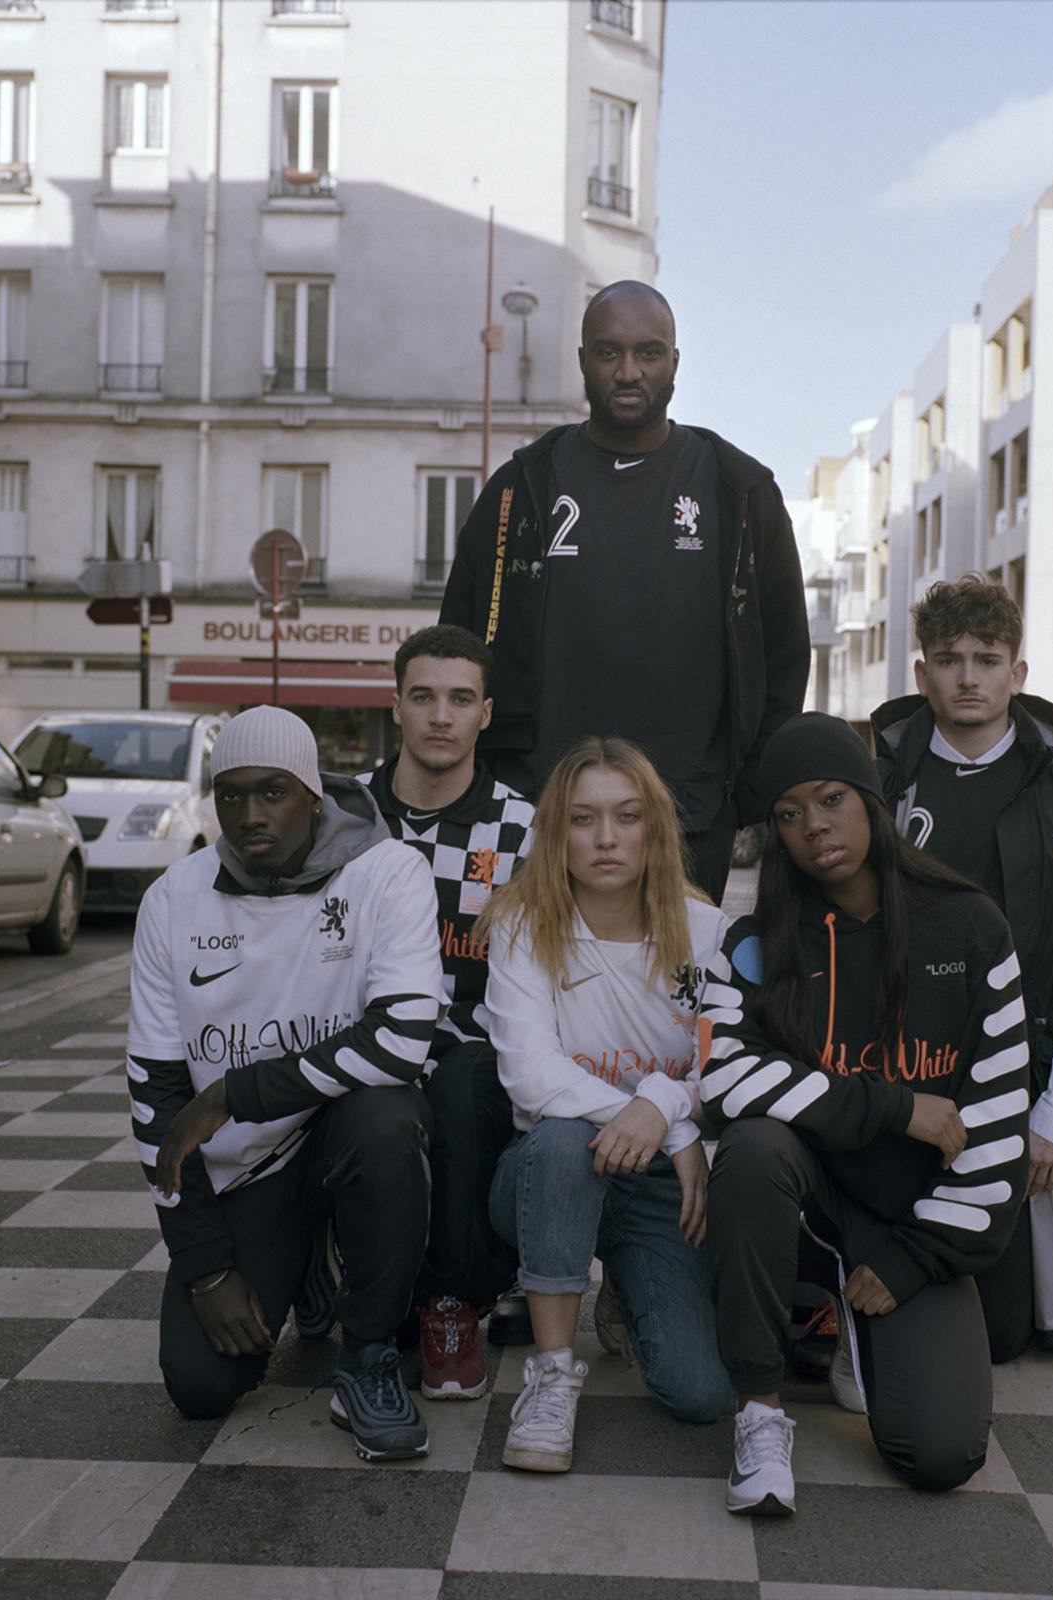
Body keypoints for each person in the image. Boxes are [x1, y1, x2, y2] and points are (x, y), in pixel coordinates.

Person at [701, 712, 1028, 1513]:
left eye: (832, 798)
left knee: (942, 1454)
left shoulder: (973, 927)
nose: (814, 827)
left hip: (911, 1219)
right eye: (789, 814)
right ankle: (760, 1411)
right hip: (802, 1203)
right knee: (752, 1147)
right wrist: (892, 1107)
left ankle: (860, 1326)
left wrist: (917, 1257)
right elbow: (722, 1080)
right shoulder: (752, 943)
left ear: (872, 800)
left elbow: (996, 1123)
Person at [129, 705, 446, 1461]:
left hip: (342, 1134)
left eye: (272, 792)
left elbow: (402, 1041)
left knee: (386, 1119)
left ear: (313, 794)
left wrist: (235, 1092)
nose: (250, 815)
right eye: (230, 795)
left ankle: (365, 1356)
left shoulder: (385, 871)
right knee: (199, 1387)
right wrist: (206, 1268)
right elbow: (156, 1102)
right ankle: (305, 1261)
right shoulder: (174, 899)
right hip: (251, 1170)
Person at [439, 279, 809, 902]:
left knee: (677, 999)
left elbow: (784, 654)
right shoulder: (519, 490)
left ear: (675, 363)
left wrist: (745, 792)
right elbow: (458, 646)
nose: (630, 371)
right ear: (582, 361)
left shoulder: (738, 491)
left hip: (690, 817)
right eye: (609, 352)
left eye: (649, 352)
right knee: (543, 991)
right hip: (542, 816)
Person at [871, 575, 1053, 1363]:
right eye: (949, 658)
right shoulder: (877, 780)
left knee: (1005, 1335)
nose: (969, 677)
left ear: (1018, 674)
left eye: (988, 659)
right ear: (922, 672)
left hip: (1037, 1075)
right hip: (900, 1074)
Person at [479, 736, 733, 1472]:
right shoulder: (523, 925)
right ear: (556, 834)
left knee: (701, 1395)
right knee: (561, 1136)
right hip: (546, 1175)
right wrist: (669, 1127)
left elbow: (725, 1069)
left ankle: (624, 1281)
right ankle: (553, 1375)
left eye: (627, 816)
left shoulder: (709, 933)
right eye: (584, 820)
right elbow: (529, 1073)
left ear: (655, 826)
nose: (607, 838)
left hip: (657, 1185)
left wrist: (662, 1107)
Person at [355, 623, 535, 1400]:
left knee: (463, 1090)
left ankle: (452, 1300)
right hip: (361, 1045)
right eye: (422, 696)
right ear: (395, 705)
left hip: (474, 1047)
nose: (440, 716)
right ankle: (358, 1289)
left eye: (459, 699)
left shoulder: (521, 828)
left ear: (485, 714)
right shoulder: (346, 819)